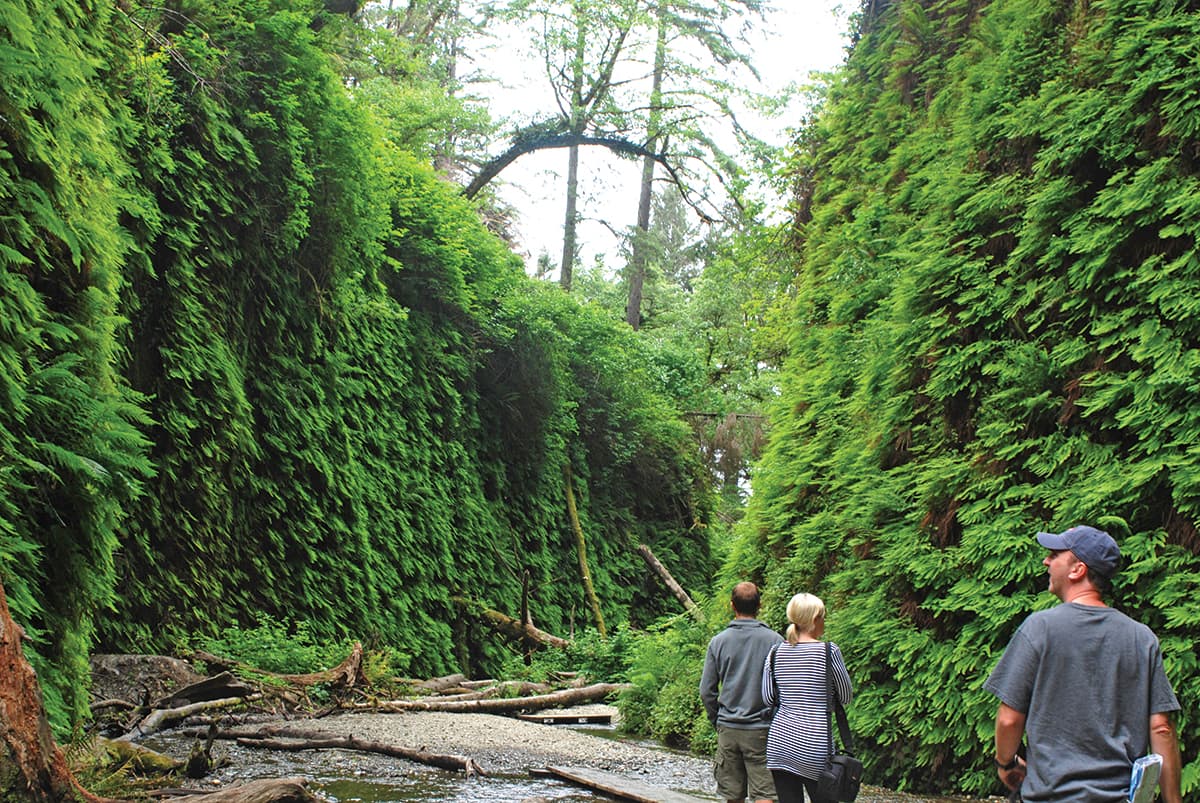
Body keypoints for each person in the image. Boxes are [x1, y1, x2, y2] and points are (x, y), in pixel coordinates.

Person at [984, 525, 1183, 803]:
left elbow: (1009, 719)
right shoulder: (1142, 637)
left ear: (1078, 569)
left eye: (1054, 555)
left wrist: (1006, 764)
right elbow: (1162, 727)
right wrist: (1173, 800)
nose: (1046, 561)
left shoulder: (1040, 628)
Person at [760, 592, 853, 803]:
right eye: (822, 616)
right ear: (814, 620)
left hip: (780, 743)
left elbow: (767, 698)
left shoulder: (775, 652)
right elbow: (846, 697)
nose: (824, 621)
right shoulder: (828, 652)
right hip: (814, 745)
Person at [701, 581, 784, 803]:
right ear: (760, 605)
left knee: (732, 794)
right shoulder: (775, 641)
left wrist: (717, 720)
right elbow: (783, 689)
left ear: (732, 605)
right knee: (765, 792)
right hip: (762, 729)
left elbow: (706, 691)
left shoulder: (718, 642)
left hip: (728, 726)